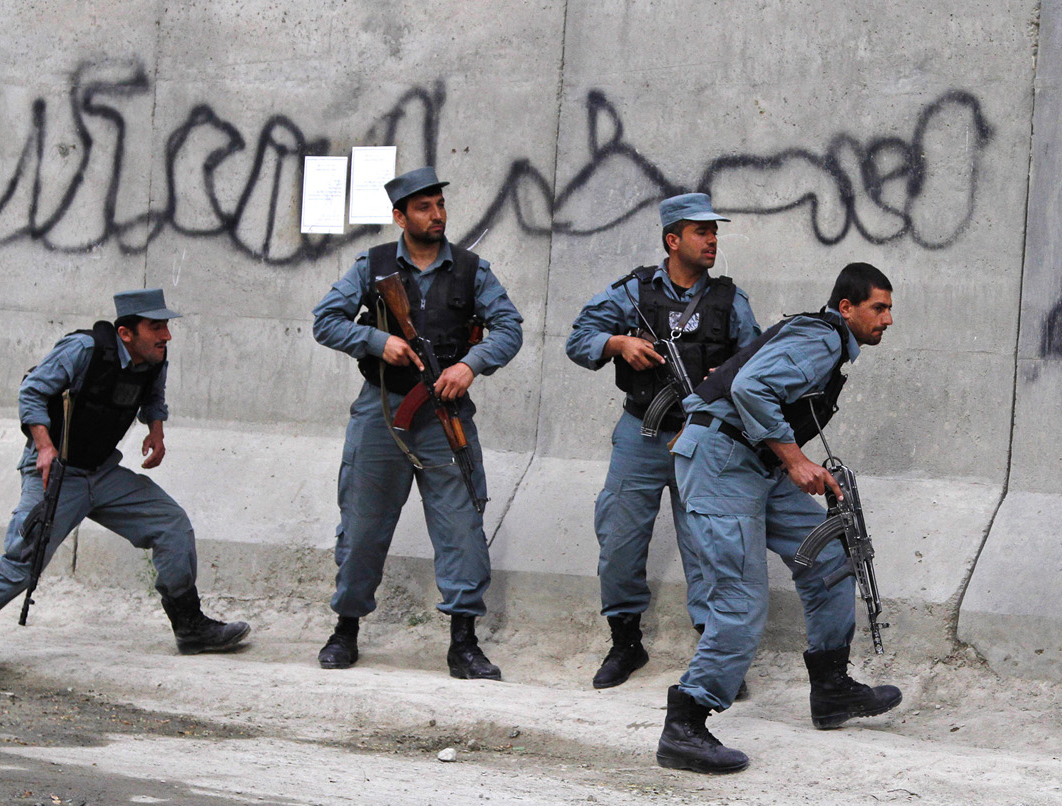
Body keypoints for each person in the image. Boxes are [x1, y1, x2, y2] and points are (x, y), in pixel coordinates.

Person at [656, 262, 903, 774]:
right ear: (846, 308)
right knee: (740, 600)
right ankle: (685, 723)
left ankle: (832, 690)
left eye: (890, 309)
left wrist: (787, 460)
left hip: (753, 463)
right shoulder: (824, 340)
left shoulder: (823, 340)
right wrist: (796, 459)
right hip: (723, 463)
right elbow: (751, 388)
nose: (888, 319)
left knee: (830, 554)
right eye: (879, 308)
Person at [0, 289, 250, 684]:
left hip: (102, 473)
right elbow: (31, 390)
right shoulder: (82, 349)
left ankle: (190, 627)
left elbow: (153, 397)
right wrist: (45, 446)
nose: (166, 335)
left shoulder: (154, 357)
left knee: (171, 525)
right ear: (125, 333)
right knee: (24, 561)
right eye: (156, 327)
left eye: (167, 326)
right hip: (56, 472)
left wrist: (156, 430)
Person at [311, 166, 523, 679]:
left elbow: (510, 327)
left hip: (444, 416)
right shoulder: (375, 266)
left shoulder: (472, 270)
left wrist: (469, 365)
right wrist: (377, 341)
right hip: (384, 411)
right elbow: (326, 320)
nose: (436, 215)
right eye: (424, 207)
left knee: (462, 528)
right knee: (362, 526)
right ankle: (346, 629)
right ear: (399, 216)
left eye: (440, 205)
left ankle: (463, 642)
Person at [566, 193, 761, 690]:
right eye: (701, 231)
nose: (713, 239)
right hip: (642, 431)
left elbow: (757, 363)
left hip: (703, 437)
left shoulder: (730, 302)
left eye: (715, 231)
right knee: (619, 537)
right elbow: (578, 338)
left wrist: (730, 375)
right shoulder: (631, 293)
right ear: (672, 240)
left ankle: (714, 657)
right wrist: (618, 343)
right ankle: (625, 642)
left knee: (708, 547)